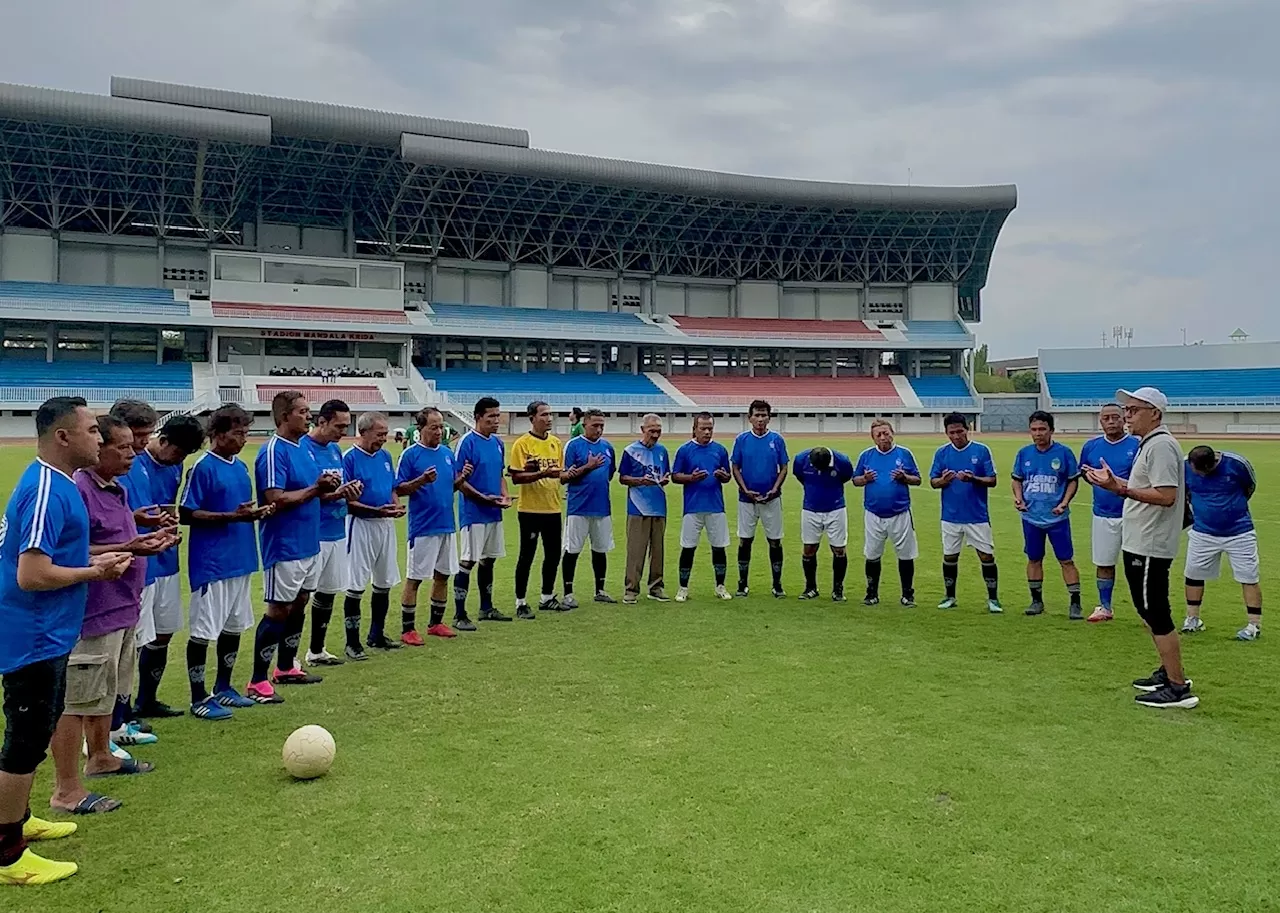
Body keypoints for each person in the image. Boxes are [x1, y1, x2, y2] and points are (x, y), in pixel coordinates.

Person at [0, 397, 131, 887]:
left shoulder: (61, 483)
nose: (100, 438)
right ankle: (8, 856)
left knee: (36, 732)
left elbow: (53, 558)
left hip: (50, 632)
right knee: (24, 739)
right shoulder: (46, 489)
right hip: (32, 634)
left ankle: (19, 817)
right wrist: (94, 573)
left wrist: (94, 562)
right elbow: (31, 574)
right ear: (62, 436)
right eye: (92, 430)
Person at [50, 415, 179, 816]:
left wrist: (144, 539)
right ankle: (66, 788)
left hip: (123, 604)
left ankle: (102, 755)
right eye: (122, 447)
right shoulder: (79, 489)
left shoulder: (116, 488)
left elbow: (118, 539)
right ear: (98, 449)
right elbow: (69, 552)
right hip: (94, 609)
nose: (132, 453)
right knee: (78, 697)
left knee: (108, 689)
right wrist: (131, 547)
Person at [1085, 386, 1197, 709]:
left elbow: (1166, 495)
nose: (1127, 416)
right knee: (1148, 609)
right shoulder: (1150, 443)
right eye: (1127, 410)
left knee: (1156, 612)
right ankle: (1168, 672)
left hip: (1150, 543)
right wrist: (1114, 484)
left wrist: (1121, 489)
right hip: (1142, 541)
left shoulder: (1160, 446)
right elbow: (1147, 488)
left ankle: (1177, 686)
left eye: (1134, 410)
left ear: (1155, 414)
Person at [178, 405, 273, 720]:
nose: (243, 439)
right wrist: (233, 516)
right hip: (213, 563)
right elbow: (186, 513)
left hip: (241, 559)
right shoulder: (202, 467)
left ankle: (223, 687)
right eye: (238, 433)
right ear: (217, 434)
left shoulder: (241, 467)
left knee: (233, 626)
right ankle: (198, 697)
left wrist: (255, 514)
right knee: (203, 630)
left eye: (246, 433)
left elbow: (240, 511)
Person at [249, 391, 344, 704]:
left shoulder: (302, 448)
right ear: (283, 417)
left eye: (308, 411)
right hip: (284, 543)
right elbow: (275, 498)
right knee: (278, 608)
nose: (308, 416)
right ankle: (258, 680)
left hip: (309, 541)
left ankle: (286, 666)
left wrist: (333, 490)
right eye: (302, 411)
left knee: (300, 602)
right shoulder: (274, 450)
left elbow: (312, 493)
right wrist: (317, 487)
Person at [132, 415, 206, 724]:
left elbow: (169, 506)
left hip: (166, 557)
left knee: (164, 631)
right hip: (139, 558)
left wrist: (171, 525)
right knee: (135, 637)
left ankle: (147, 699)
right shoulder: (133, 462)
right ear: (162, 441)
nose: (180, 459)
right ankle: (122, 711)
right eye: (177, 452)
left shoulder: (175, 465)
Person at [392, 408, 469, 642]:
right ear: (420, 428)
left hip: (447, 525)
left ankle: (436, 623)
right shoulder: (410, 455)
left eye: (441, 426)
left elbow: (449, 487)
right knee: (415, 578)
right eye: (434, 427)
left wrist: (462, 478)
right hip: (423, 526)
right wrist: (422, 480)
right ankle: (408, 629)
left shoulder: (447, 453)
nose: (439, 431)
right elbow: (399, 489)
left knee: (443, 575)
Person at [301, 400, 363, 663]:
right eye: (339, 426)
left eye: (346, 426)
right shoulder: (303, 448)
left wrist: (350, 491)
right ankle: (288, 659)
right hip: (314, 534)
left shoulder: (335, 450)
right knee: (301, 597)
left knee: (328, 592)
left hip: (337, 531)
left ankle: (317, 650)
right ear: (322, 421)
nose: (343, 432)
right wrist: (337, 494)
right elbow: (306, 494)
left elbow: (337, 488)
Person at [1181, 446, 1261, 641]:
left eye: (1204, 471)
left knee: (1248, 576)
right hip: (1203, 532)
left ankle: (1254, 625)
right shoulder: (1183, 466)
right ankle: (1193, 619)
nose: (1200, 475)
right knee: (1193, 574)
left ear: (1213, 463)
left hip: (1240, 531)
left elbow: (1249, 486)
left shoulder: (1237, 464)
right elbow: (1184, 491)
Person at [1011, 411, 1082, 618]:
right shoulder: (1024, 453)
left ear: (1051, 430)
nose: (1038, 433)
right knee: (1034, 559)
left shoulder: (1064, 453)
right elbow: (1017, 480)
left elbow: (1073, 480)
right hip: (1031, 517)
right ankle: (1036, 601)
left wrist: (1064, 503)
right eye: (1034, 429)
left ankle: (1075, 603)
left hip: (1057, 518)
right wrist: (1019, 498)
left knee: (1066, 560)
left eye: (1042, 429)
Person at [930, 413, 1002, 613]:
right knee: (950, 556)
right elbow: (933, 481)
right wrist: (943, 481)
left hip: (976, 515)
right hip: (950, 516)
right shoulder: (942, 453)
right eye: (951, 432)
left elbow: (992, 480)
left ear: (967, 429)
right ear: (946, 433)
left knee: (986, 556)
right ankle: (950, 596)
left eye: (959, 431)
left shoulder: (981, 450)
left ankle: (993, 599)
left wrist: (973, 479)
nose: (956, 436)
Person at [454, 397, 514, 622]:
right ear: (478, 417)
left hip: (493, 512)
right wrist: (483, 499)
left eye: (498, 415)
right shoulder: (467, 442)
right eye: (492, 416)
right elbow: (458, 480)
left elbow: (499, 475)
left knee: (489, 559)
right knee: (468, 561)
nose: (496, 420)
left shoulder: (498, 443)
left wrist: (504, 496)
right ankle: (460, 614)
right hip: (474, 513)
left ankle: (486, 608)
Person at [1078, 404, 1139, 622]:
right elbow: (1084, 472)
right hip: (1103, 514)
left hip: (1134, 514)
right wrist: (1094, 477)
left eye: (1115, 417)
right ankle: (1105, 606)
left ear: (1124, 419)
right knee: (1104, 562)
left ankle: (1145, 610)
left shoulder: (1138, 445)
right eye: (1106, 418)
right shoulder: (1091, 446)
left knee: (1138, 565)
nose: (1111, 422)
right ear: (1100, 421)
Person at [852, 420, 919, 606]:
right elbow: (855, 480)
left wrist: (904, 477)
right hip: (873, 513)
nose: (883, 437)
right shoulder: (866, 455)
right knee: (872, 554)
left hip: (900, 512)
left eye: (886, 433)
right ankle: (871, 593)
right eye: (878, 434)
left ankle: (907, 594)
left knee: (905, 554)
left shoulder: (904, 454)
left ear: (892, 433)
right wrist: (864, 479)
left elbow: (917, 479)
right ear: (873, 437)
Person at [509, 401, 566, 615]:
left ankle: (546, 597)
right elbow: (516, 477)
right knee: (527, 556)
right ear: (532, 418)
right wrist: (542, 474)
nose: (549, 418)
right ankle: (521, 602)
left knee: (553, 555)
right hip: (530, 510)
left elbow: (559, 473)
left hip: (553, 507)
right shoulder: (522, 444)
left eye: (550, 414)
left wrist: (568, 475)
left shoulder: (556, 443)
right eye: (544, 414)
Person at [672, 413, 734, 602]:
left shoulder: (720, 450)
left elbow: (728, 475)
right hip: (692, 507)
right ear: (694, 429)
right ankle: (683, 588)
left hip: (716, 507)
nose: (707, 432)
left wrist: (723, 476)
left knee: (719, 547)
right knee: (688, 547)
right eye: (703, 428)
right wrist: (691, 478)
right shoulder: (685, 450)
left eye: (710, 428)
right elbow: (675, 476)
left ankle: (720, 586)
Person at [731, 400, 789, 598]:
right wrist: (745, 489)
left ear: (769, 418)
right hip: (746, 500)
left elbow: (784, 467)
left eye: (764, 415)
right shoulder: (741, 440)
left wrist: (775, 489)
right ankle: (742, 584)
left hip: (771, 499)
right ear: (750, 418)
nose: (760, 419)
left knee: (775, 541)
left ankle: (777, 584)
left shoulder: (777, 440)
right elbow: (735, 467)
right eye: (757, 415)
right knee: (745, 540)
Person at [560, 408, 617, 607]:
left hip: (602, 507)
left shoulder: (608, 447)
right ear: (584, 425)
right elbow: (564, 477)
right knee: (572, 550)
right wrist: (588, 467)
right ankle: (568, 593)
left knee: (600, 550)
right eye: (595, 425)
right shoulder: (573, 446)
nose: (599, 429)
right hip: (578, 507)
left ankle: (600, 590)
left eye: (602, 425)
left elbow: (610, 473)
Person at [619, 414, 671, 604]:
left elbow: (665, 474)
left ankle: (656, 587)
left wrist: (664, 480)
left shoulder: (662, 451)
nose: (655, 435)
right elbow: (622, 478)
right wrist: (640, 481)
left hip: (658, 506)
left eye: (658, 431)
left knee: (658, 551)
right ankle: (631, 589)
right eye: (652, 431)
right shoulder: (630, 451)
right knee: (636, 551)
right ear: (642, 430)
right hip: (637, 507)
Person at [794, 445, 856, 602]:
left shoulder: (842, 461)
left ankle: (838, 589)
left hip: (836, 509)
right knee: (809, 548)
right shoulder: (801, 459)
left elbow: (846, 477)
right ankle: (810, 588)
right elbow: (800, 476)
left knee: (839, 549)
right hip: (810, 509)